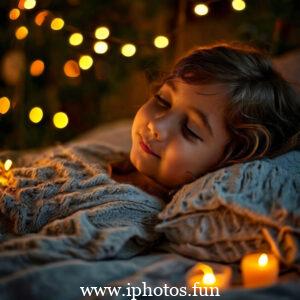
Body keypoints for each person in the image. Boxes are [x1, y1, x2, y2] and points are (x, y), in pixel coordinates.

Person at [108, 42, 300, 201]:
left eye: (189, 129)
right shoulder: (103, 159)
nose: (156, 125)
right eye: (163, 101)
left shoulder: (137, 213)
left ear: (230, 161)